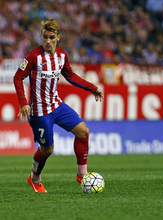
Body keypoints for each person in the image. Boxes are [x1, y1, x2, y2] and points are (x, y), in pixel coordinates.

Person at [13, 18, 104, 193]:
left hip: (57, 105)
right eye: (45, 37)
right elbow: (17, 77)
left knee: (84, 131)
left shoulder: (62, 55)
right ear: (41, 36)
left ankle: (81, 175)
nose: (48, 41)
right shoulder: (33, 56)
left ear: (58, 37)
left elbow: (71, 76)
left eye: (51, 37)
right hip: (39, 110)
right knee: (48, 149)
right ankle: (34, 177)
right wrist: (23, 103)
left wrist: (92, 88)